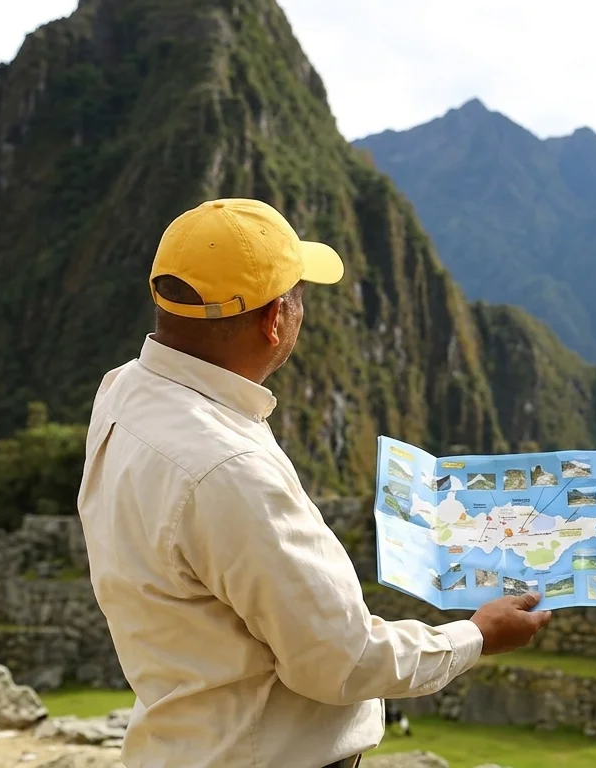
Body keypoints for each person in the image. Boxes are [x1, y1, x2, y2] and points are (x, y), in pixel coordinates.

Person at [75, 198, 552, 768]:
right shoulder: (228, 468)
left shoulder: (124, 392)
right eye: (299, 295)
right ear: (275, 318)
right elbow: (341, 660)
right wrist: (476, 635)